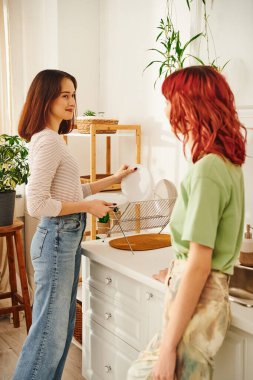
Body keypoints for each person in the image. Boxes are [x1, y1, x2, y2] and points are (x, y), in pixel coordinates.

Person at [13, 69, 135, 380]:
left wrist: (113, 180)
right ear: (46, 99)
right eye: (64, 95)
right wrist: (87, 207)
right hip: (56, 240)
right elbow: (36, 204)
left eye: (73, 94)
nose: (72, 101)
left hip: (62, 240)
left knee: (60, 332)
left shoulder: (53, 139)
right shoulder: (49, 142)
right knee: (48, 338)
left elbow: (67, 192)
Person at [127, 66, 246, 380]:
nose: (166, 108)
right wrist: (174, 274)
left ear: (190, 106)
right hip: (201, 296)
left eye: (170, 99)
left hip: (199, 302)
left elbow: (200, 264)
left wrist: (168, 349)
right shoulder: (226, 165)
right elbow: (202, 255)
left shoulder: (208, 169)